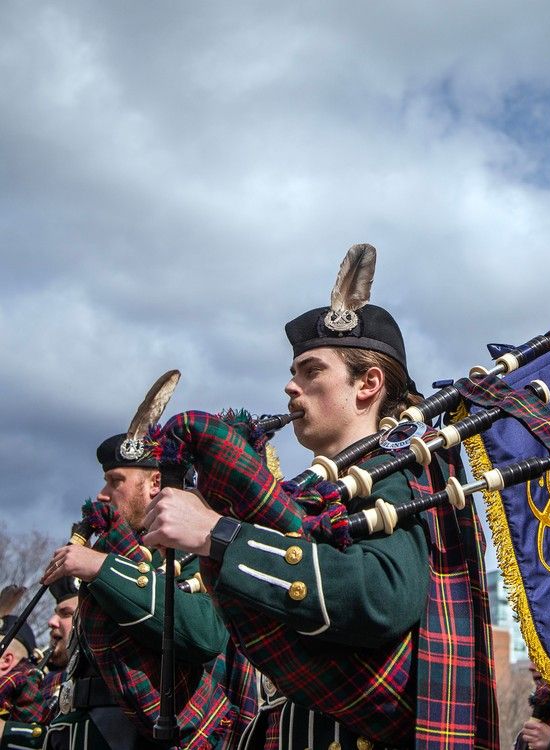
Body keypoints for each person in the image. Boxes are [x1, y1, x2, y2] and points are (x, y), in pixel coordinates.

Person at [143, 245, 499, 749]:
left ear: (368, 384)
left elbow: (383, 597)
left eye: (311, 371)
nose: (291, 387)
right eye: (294, 372)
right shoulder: (322, 488)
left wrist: (218, 534)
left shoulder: (396, 472)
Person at [40, 435, 254, 750]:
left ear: (155, 483)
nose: (101, 495)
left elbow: (207, 635)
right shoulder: (113, 549)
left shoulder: (193, 553)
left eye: (115, 482)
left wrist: (105, 569)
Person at [0, 578, 80, 750]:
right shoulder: (35, 679)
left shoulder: (99, 680)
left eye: (66, 613)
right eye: (55, 612)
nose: (51, 621)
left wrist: (6, 733)